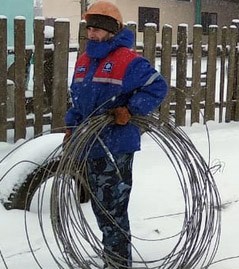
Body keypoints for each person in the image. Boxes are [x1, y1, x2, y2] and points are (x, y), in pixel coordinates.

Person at [63, 1, 168, 268]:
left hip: (116, 145)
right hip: (90, 143)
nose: (92, 34)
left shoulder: (128, 60)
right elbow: (78, 99)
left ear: (111, 31)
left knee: (113, 210)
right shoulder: (85, 60)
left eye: (98, 29)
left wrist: (130, 110)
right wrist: (71, 127)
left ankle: (119, 261)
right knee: (101, 207)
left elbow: (158, 87)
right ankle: (112, 252)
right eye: (90, 29)